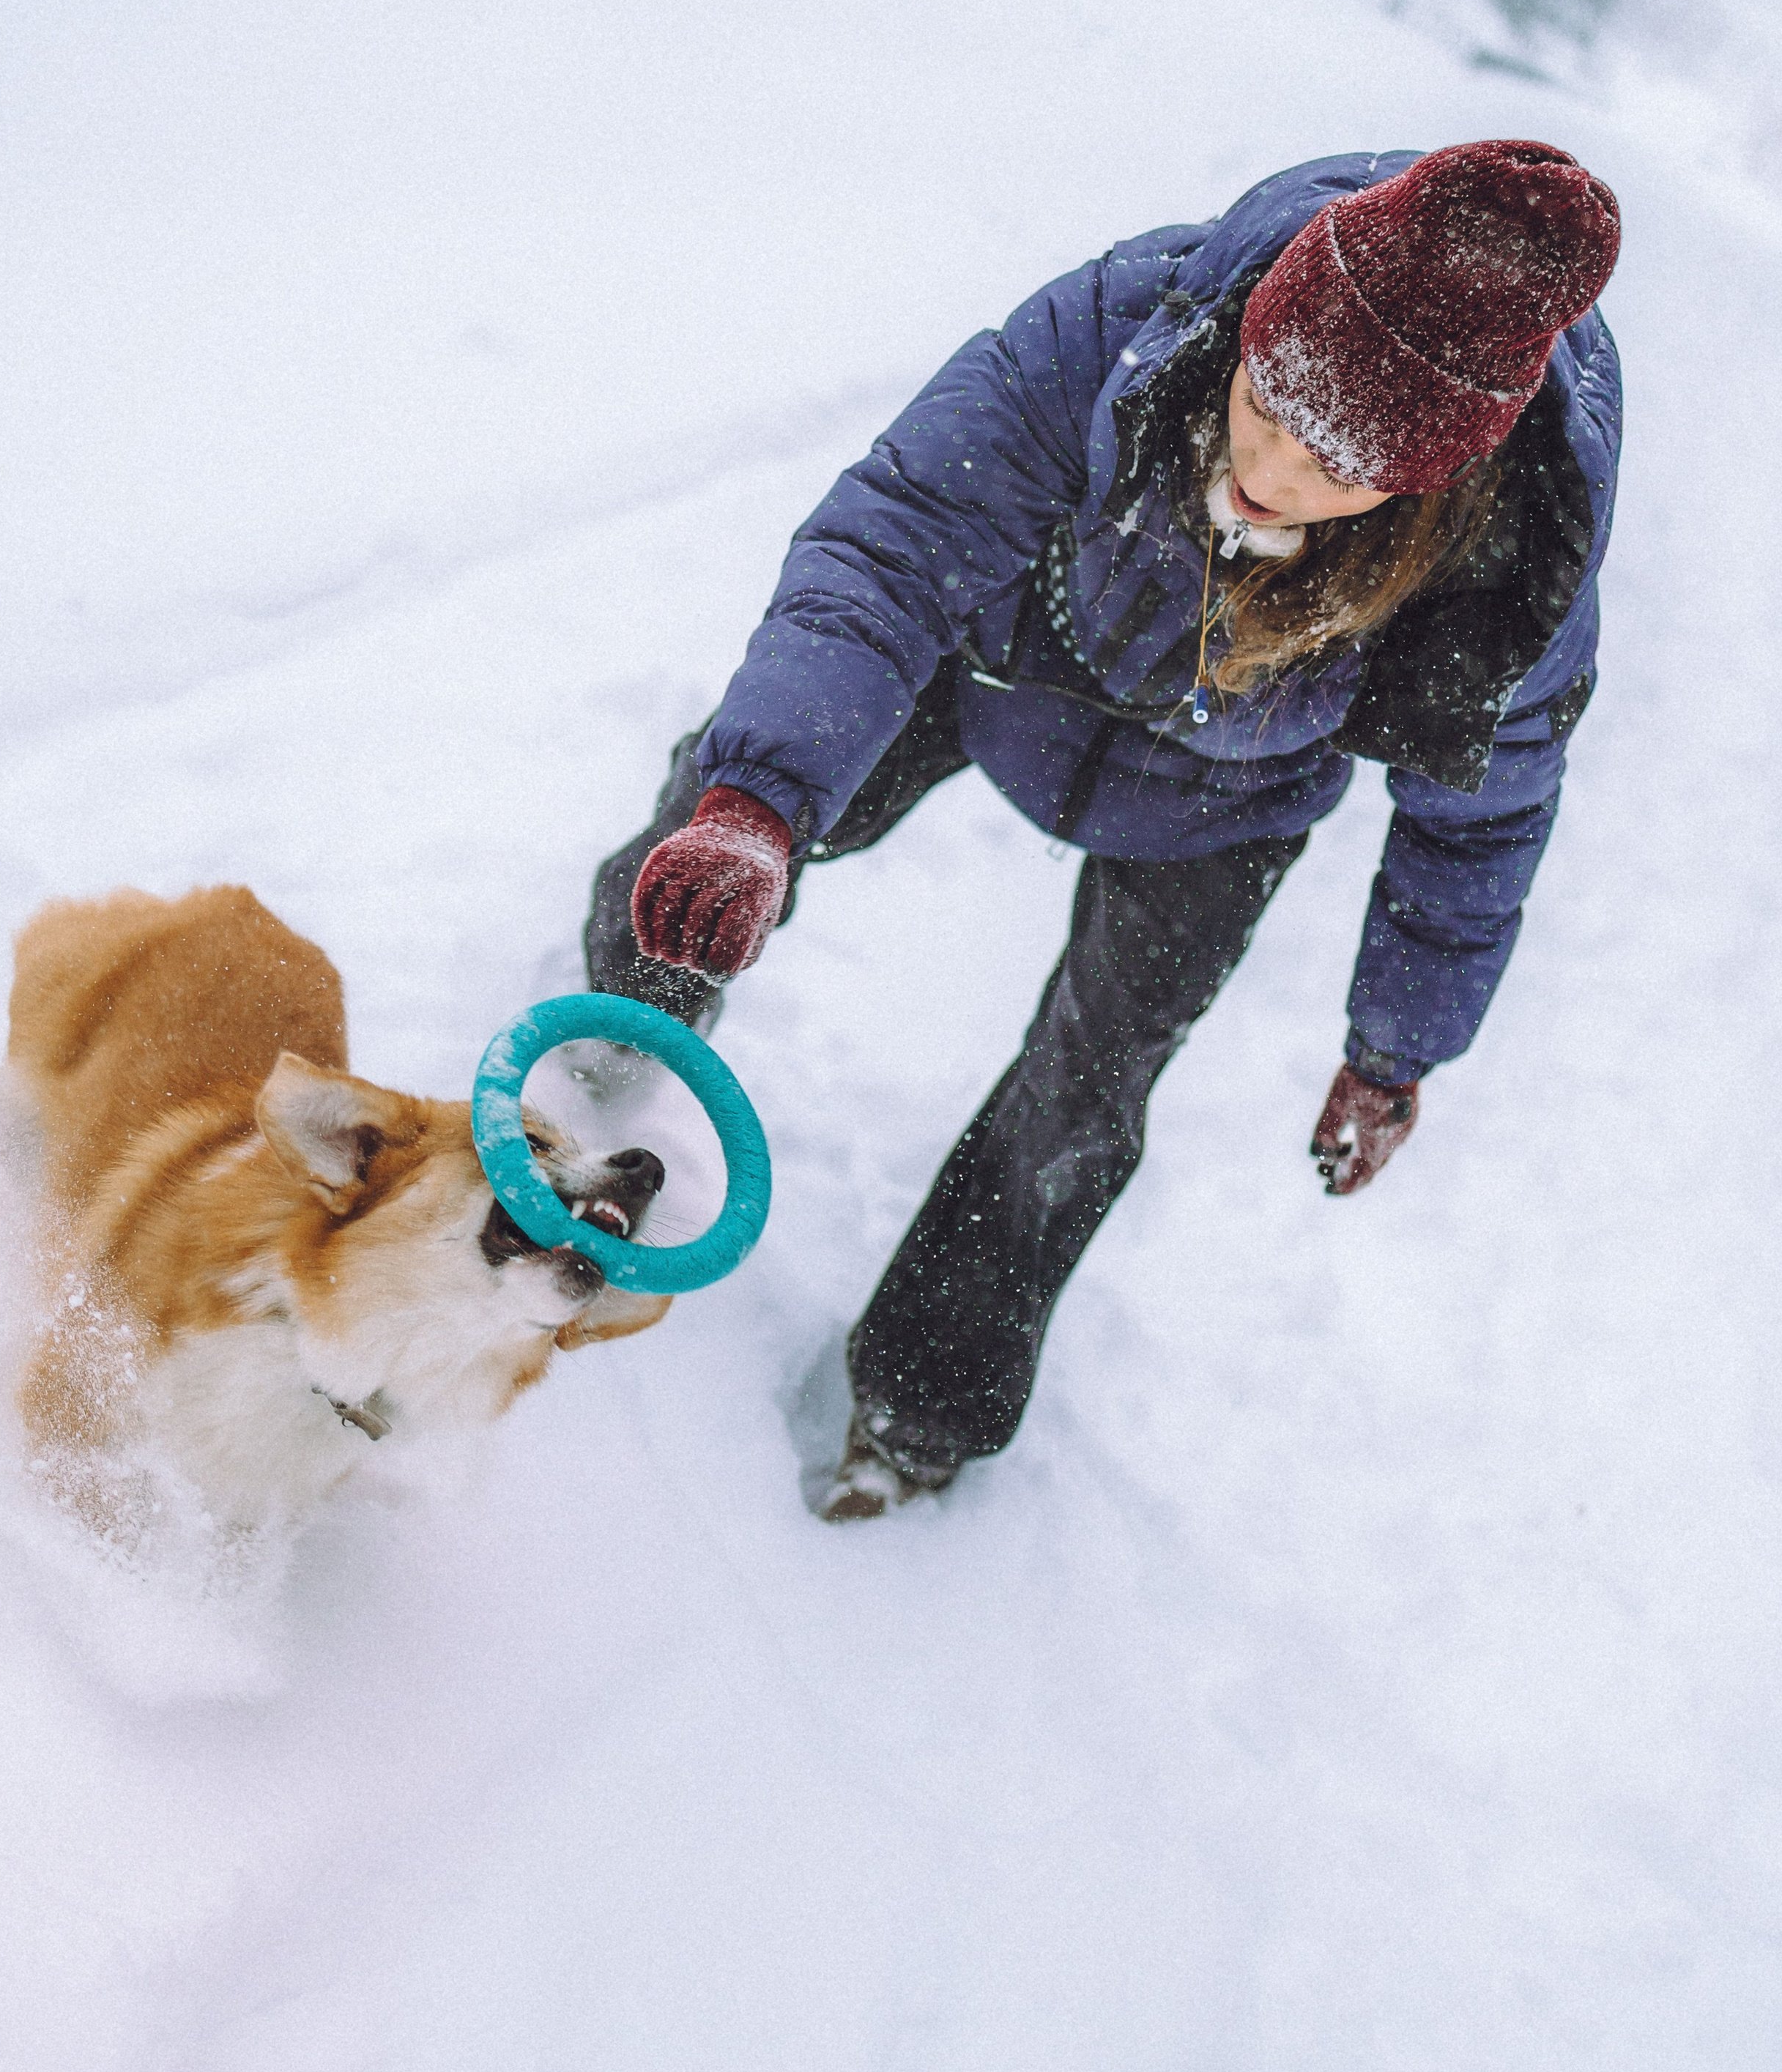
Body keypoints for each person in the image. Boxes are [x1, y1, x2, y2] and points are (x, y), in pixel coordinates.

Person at [584, 142, 1622, 1519]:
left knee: (1086, 1090)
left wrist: (1397, 1047)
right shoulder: (1126, 327)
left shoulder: (1510, 573)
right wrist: (755, 804)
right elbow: (895, 542)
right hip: (999, 657)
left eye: (1333, 463)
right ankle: (616, 1030)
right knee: (725, 828)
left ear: (1425, 487)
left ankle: (919, 1408)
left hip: (1226, 802)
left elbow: (1481, 825)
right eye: (1263, 400)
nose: (1266, 465)